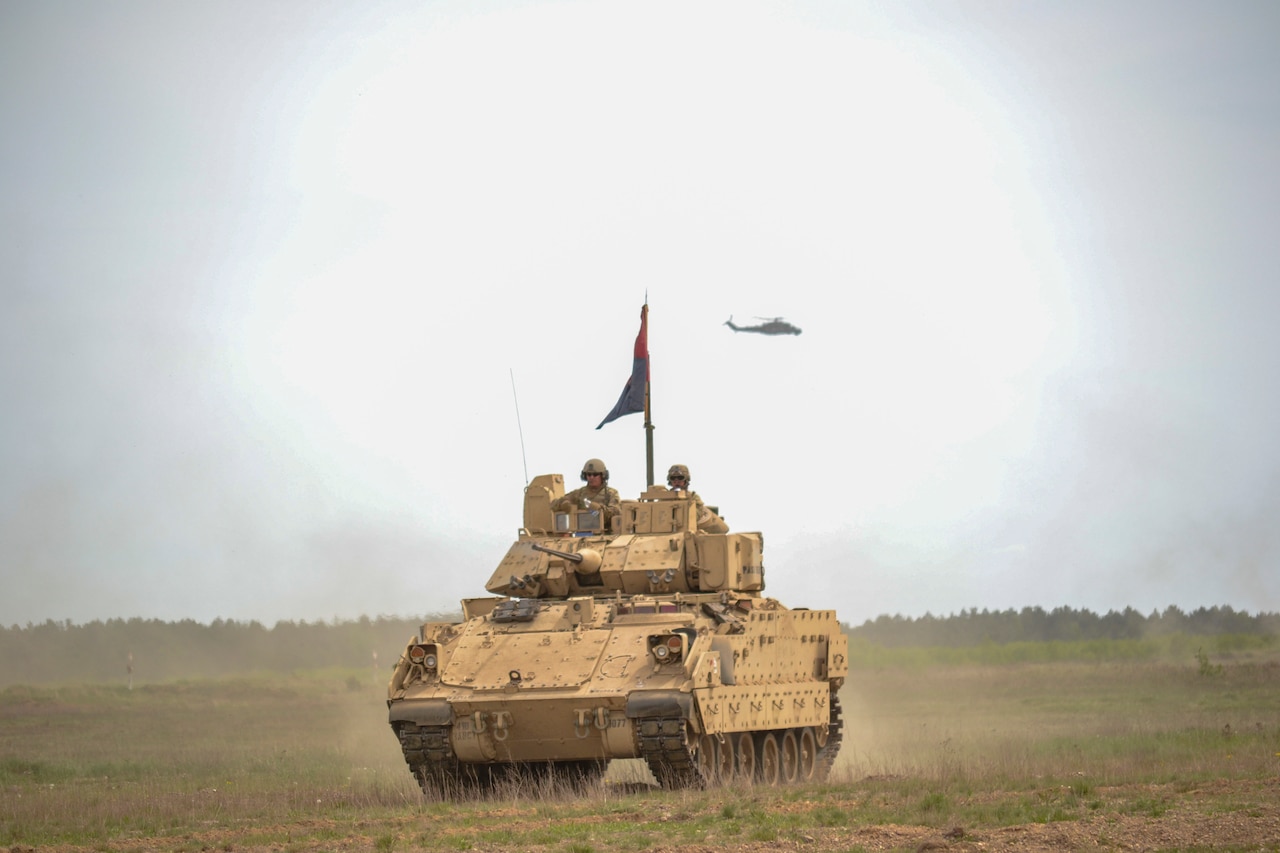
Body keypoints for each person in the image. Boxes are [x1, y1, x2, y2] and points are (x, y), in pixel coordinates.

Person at [552, 458, 621, 528]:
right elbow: (553, 504)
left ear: (603, 475)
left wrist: (596, 508)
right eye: (589, 474)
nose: (591, 477)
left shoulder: (611, 494)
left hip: (605, 533)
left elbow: (615, 513)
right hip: (581, 532)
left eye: (595, 474)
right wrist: (564, 503)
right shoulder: (579, 493)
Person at [666, 463, 729, 533]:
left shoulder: (693, 498)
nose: (676, 481)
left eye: (680, 478)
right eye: (673, 478)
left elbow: (696, 515)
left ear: (686, 480)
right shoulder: (664, 498)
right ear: (670, 481)